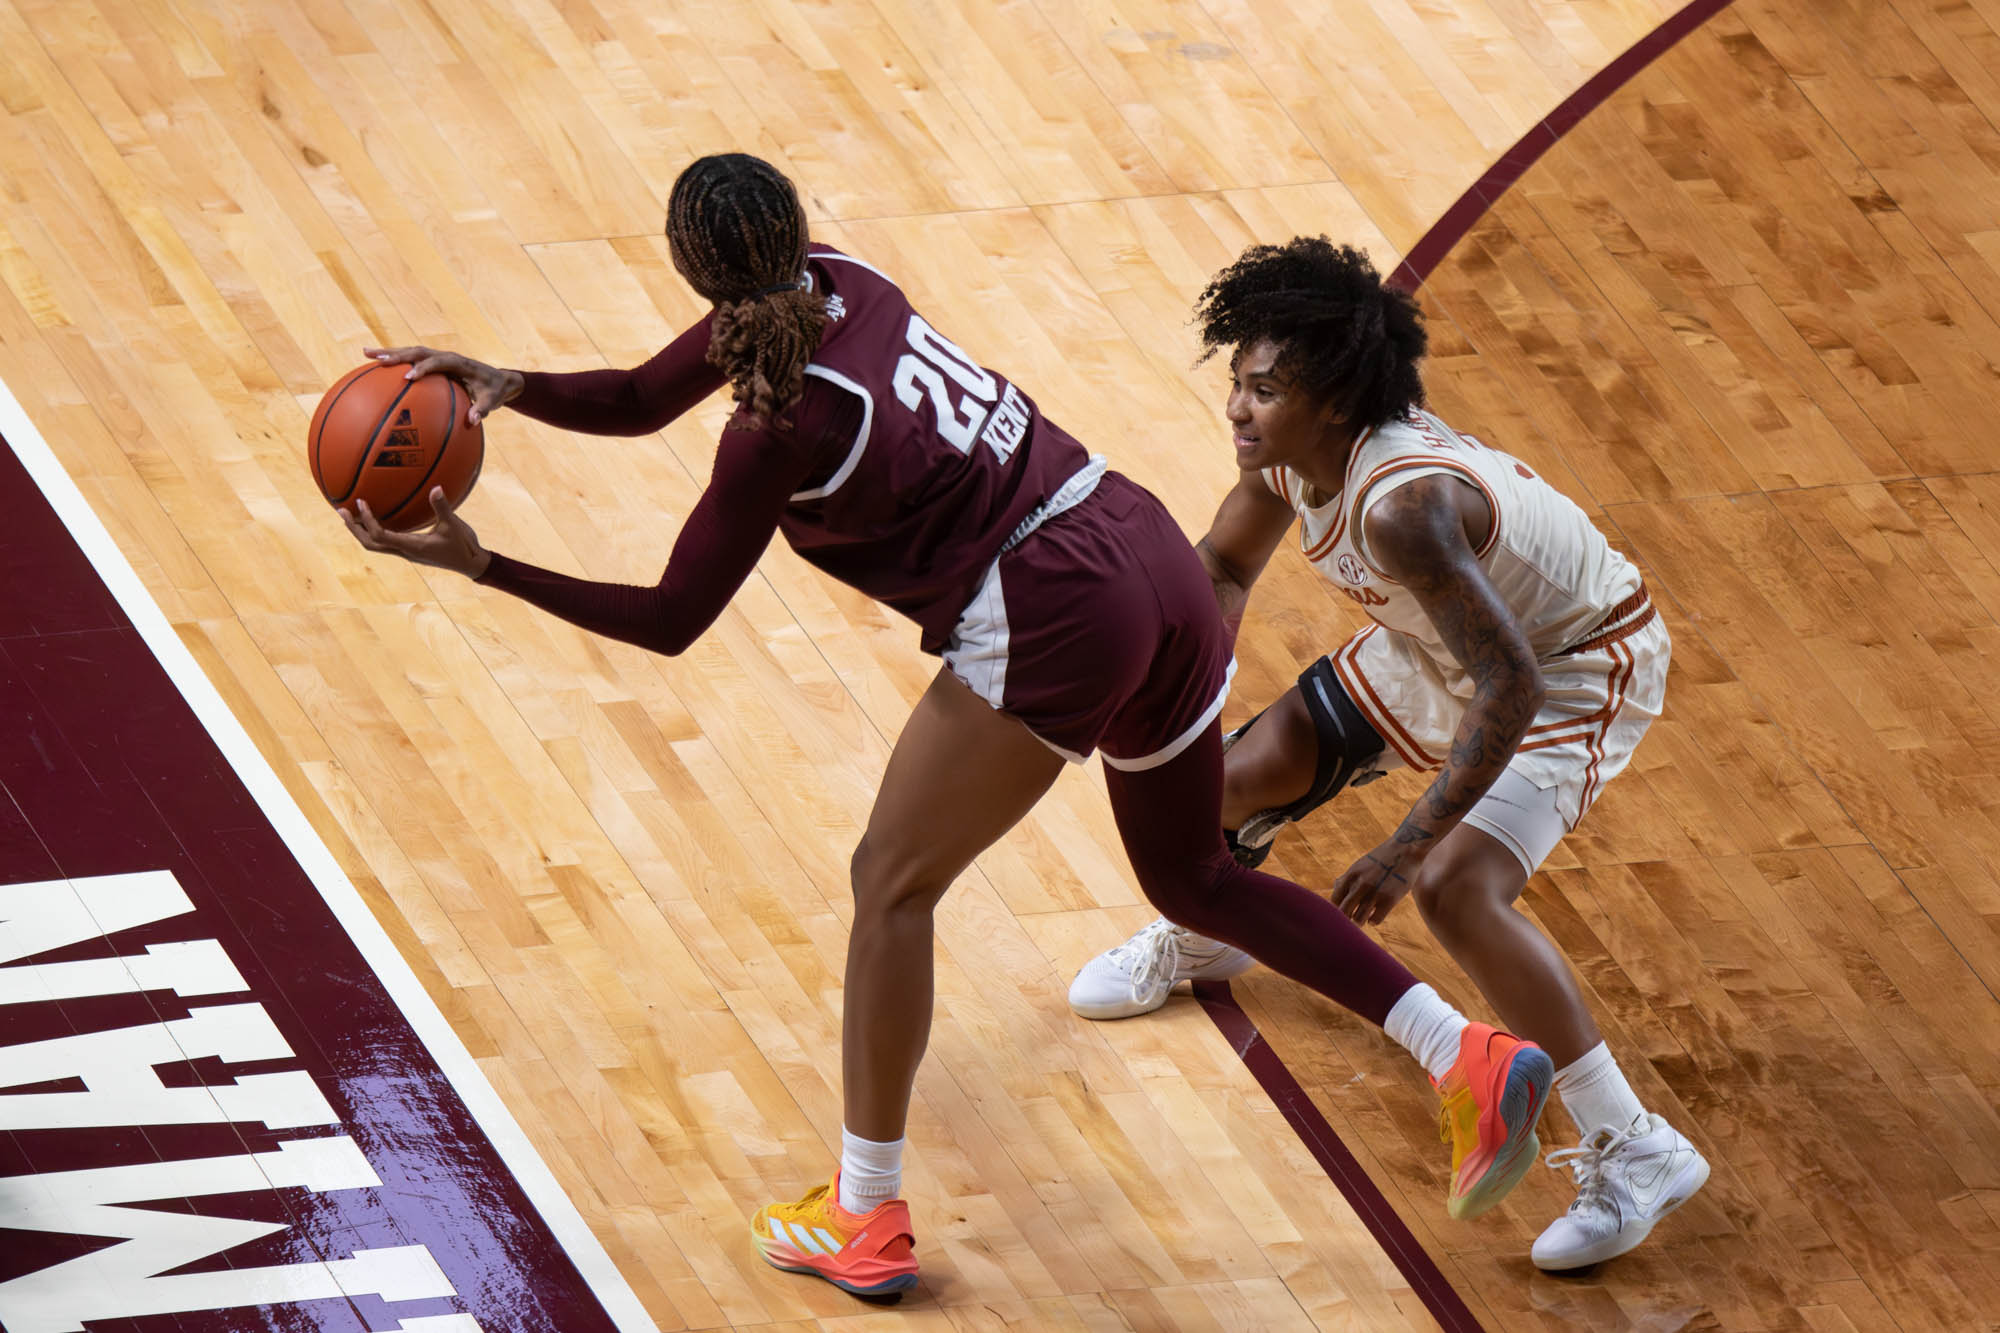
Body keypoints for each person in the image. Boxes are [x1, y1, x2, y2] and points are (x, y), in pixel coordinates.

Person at [341, 155, 1553, 1299]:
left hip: (1049, 609)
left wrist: (480, 561)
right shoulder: (846, 286)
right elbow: (640, 397)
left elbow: (669, 619)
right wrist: (508, 385)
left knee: (890, 883)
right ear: (798, 235)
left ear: (687, 267)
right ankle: (1465, 1055)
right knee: (1189, 874)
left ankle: (862, 1214)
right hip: (1131, 536)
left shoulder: (778, 429)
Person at [1066, 236, 1709, 1271]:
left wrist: (1406, 848)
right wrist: (1172, 689)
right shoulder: (1290, 457)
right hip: (1443, 641)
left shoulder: (1403, 506)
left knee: (1457, 887)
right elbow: (1223, 567)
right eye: (1235, 381)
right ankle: (1210, 925)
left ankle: (1635, 1146)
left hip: (1574, 666)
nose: (1235, 407)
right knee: (1225, 781)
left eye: (1262, 389)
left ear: (1332, 399)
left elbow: (1509, 688)